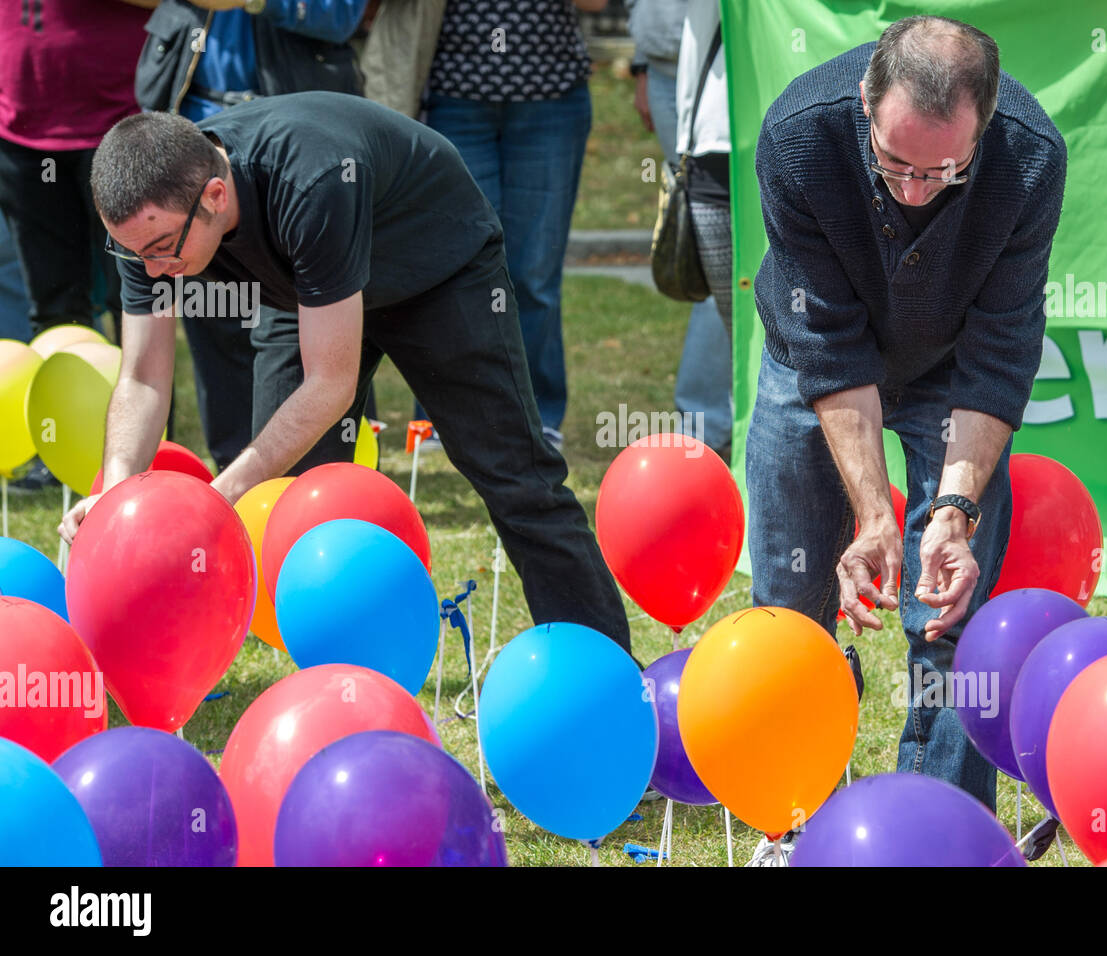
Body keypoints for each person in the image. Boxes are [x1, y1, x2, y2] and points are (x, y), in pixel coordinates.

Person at [59, 91, 633, 656]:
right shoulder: (145, 227)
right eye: (137, 255)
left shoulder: (310, 177)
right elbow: (142, 378)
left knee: (516, 478)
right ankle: (345, 670)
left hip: (434, 274)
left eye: (162, 250)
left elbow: (328, 384)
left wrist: (216, 497)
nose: (155, 272)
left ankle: (605, 669)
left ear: (215, 194)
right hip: (304, 296)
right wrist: (114, 493)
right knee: (288, 502)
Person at [745, 16, 1067, 860]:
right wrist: (874, 515)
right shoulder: (797, 135)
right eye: (894, 164)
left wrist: (951, 512)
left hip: (950, 372)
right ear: (864, 104)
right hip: (810, 362)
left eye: (943, 171)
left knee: (956, 609)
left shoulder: (1031, 158)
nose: (915, 191)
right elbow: (829, 346)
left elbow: (1000, 358)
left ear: (984, 129)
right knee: (788, 602)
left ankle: (941, 836)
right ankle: (790, 821)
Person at [133, 0, 369, 473]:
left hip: (293, 149)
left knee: (308, 333)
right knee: (214, 317)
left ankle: (322, 482)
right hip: (192, 130)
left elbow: (342, 15)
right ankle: (233, 485)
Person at [418, 0, 610, 450]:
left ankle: (536, 416)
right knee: (452, 266)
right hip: (454, 97)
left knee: (533, 272)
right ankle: (440, 414)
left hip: (550, 104)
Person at [0, 0, 152, 489]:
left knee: (133, 302)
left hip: (117, 128)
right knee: (54, 309)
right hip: (19, 133)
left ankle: (138, 448)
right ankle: (60, 447)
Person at [628, 0, 733, 459]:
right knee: (713, 276)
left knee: (750, 279)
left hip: (737, 78)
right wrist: (641, 63)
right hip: (674, 69)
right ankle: (701, 428)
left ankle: (716, 423)